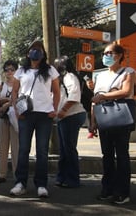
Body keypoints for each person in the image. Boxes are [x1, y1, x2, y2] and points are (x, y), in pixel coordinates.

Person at [10, 40, 60, 198]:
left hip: (45, 115)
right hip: (26, 114)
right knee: (23, 150)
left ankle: (41, 185)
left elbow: (57, 92)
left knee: (42, 151)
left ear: (43, 54)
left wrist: (55, 109)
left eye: (39, 49)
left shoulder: (50, 70)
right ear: (28, 53)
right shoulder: (20, 71)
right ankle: (20, 183)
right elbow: (14, 92)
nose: (36, 52)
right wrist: (17, 111)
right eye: (33, 49)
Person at [89, 43, 136, 205]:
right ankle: (107, 189)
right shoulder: (100, 75)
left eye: (110, 52)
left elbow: (126, 91)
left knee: (122, 155)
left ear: (119, 55)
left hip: (121, 117)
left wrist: (104, 96)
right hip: (104, 119)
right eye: (105, 53)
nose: (106, 55)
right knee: (107, 155)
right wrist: (93, 121)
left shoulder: (128, 72)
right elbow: (95, 100)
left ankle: (122, 192)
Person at [53, 55, 87, 188]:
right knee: (64, 149)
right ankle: (62, 177)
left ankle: (72, 179)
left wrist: (63, 111)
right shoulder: (61, 79)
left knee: (69, 149)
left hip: (71, 115)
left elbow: (74, 95)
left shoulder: (69, 76)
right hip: (65, 117)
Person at [0, 59, 19, 184]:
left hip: (15, 118)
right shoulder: (1, 85)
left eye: (12, 69)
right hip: (3, 117)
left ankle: (17, 175)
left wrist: (8, 103)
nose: (9, 72)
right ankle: (2, 174)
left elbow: (20, 99)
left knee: (16, 147)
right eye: (7, 70)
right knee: (2, 146)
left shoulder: (20, 84)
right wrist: (5, 101)